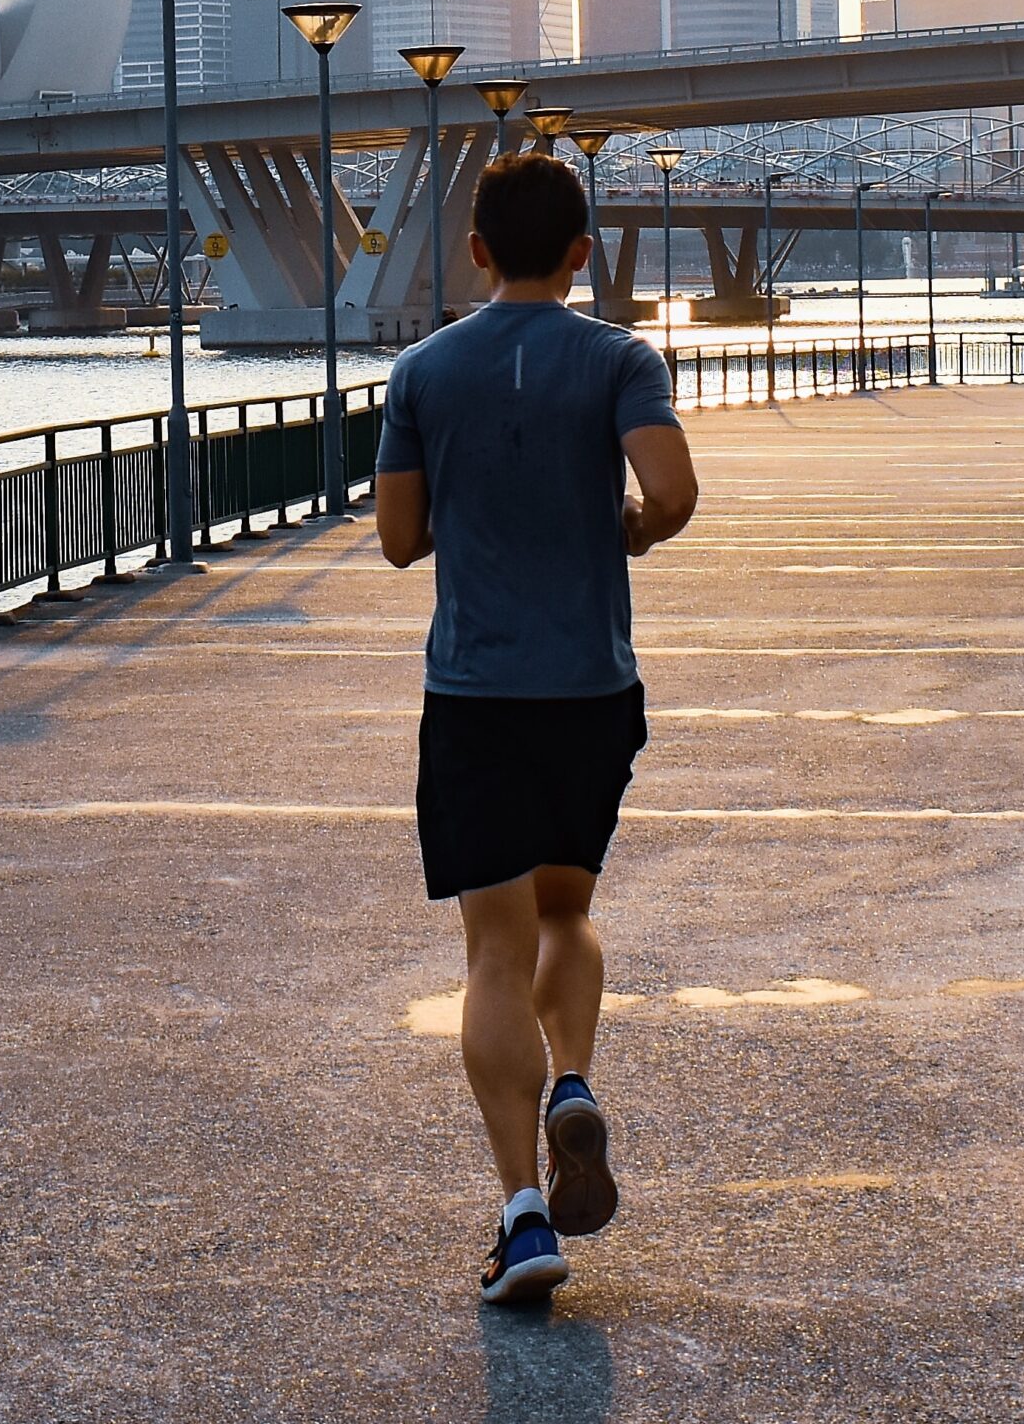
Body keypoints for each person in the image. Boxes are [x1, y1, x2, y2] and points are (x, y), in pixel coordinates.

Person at [374, 151, 701, 1307]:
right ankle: (574, 1081)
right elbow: (672, 493)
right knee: (567, 912)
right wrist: (628, 529)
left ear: (473, 250)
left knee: (492, 952)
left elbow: (398, 541)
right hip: (589, 691)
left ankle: (521, 1216)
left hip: (473, 695)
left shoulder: (421, 371)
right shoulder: (619, 357)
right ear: (579, 253)